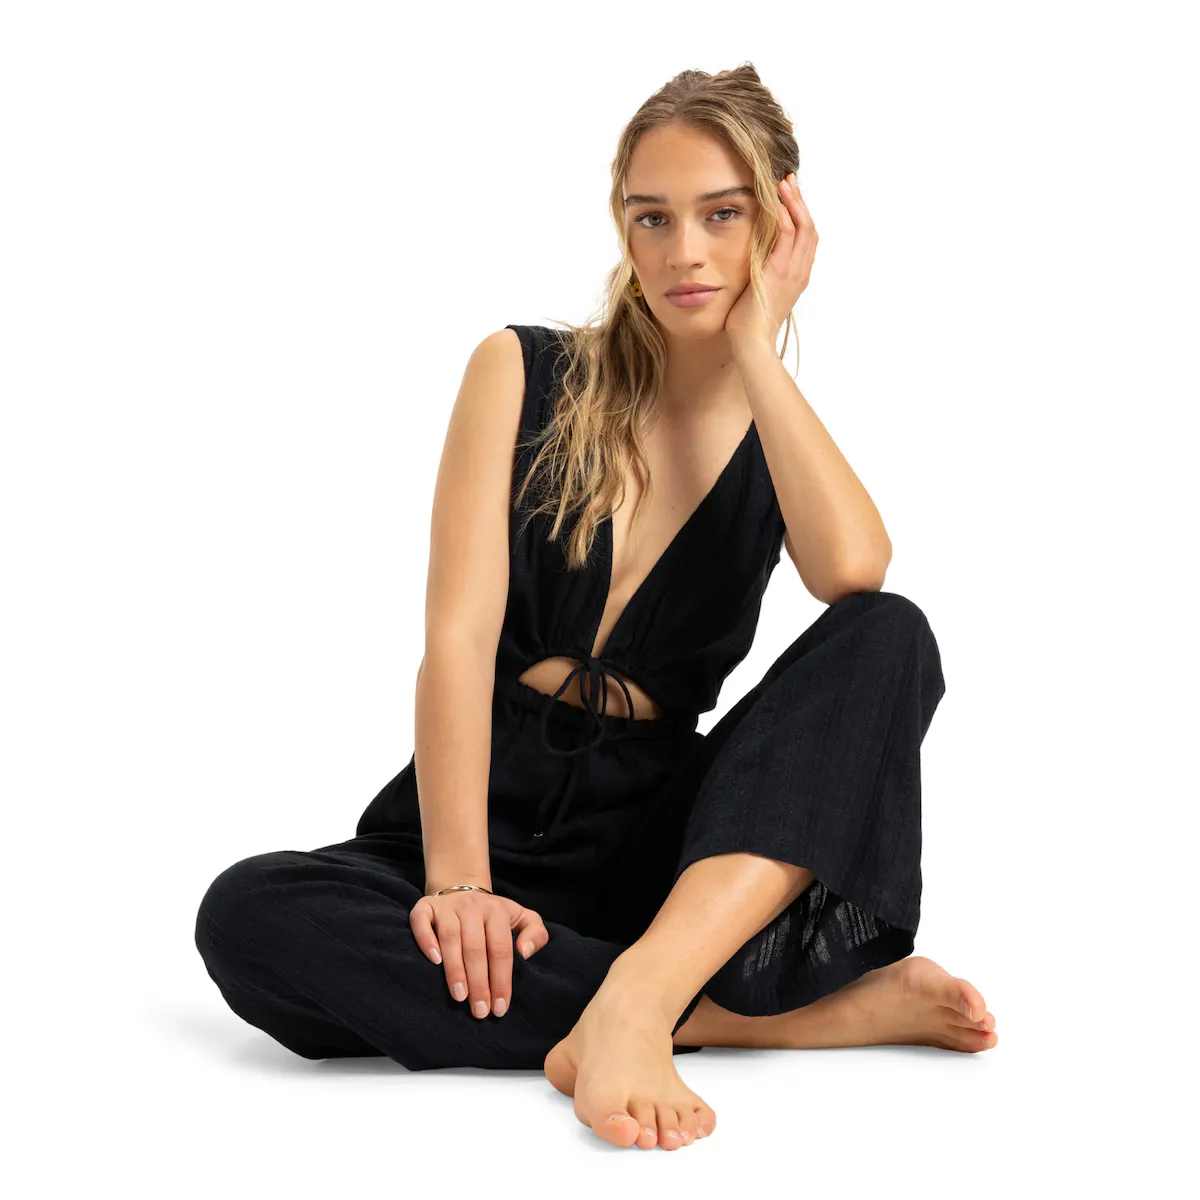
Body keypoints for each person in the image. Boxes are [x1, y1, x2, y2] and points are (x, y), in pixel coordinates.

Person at [194, 62, 996, 1152]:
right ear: (622, 225)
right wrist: (460, 883)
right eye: (652, 217)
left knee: (891, 634)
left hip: (657, 854)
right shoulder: (521, 371)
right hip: (474, 805)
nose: (684, 251)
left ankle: (638, 992)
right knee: (249, 916)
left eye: (723, 215)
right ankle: (733, 1018)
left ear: (781, 223)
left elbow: (856, 573)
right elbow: (455, 641)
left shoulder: (778, 437)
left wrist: (756, 345)